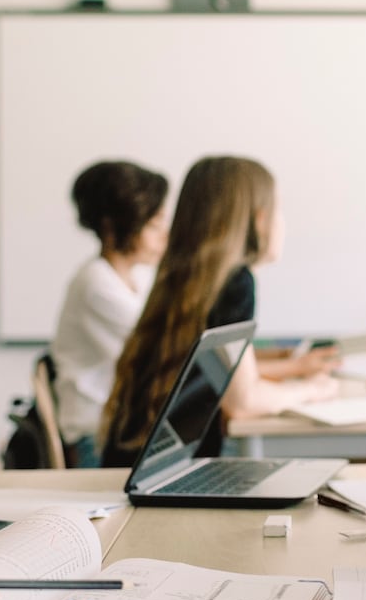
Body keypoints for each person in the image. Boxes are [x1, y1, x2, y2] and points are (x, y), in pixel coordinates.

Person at [100, 155, 339, 468]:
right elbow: (242, 402)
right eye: (279, 209)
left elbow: (235, 379)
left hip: (133, 466)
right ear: (258, 219)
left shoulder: (180, 278)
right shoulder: (235, 283)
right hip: (171, 480)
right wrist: (311, 389)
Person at [49, 160, 170, 467]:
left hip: (121, 430)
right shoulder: (97, 284)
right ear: (114, 225)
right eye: (154, 225)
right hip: (98, 440)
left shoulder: (137, 278)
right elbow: (168, 353)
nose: (164, 236)